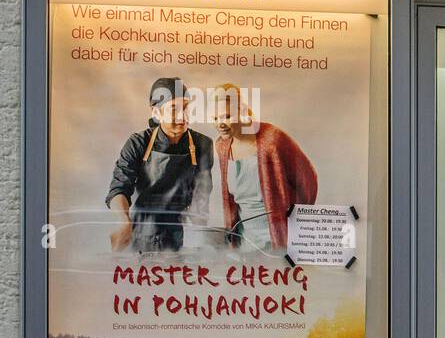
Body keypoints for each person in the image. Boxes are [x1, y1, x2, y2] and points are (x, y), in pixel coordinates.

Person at [106, 77, 214, 253]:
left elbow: (202, 191)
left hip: (185, 233)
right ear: (156, 112)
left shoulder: (203, 144)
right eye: (174, 109)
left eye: (186, 107)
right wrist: (124, 221)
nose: (182, 116)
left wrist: (199, 225)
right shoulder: (138, 143)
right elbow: (119, 189)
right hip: (144, 234)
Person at [212, 83, 318, 252]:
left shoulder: (273, 139)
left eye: (226, 116)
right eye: (215, 118)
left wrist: (289, 220)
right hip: (243, 242)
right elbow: (231, 201)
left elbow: (308, 182)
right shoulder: (222, 146)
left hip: (278, 240)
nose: (220, 124)